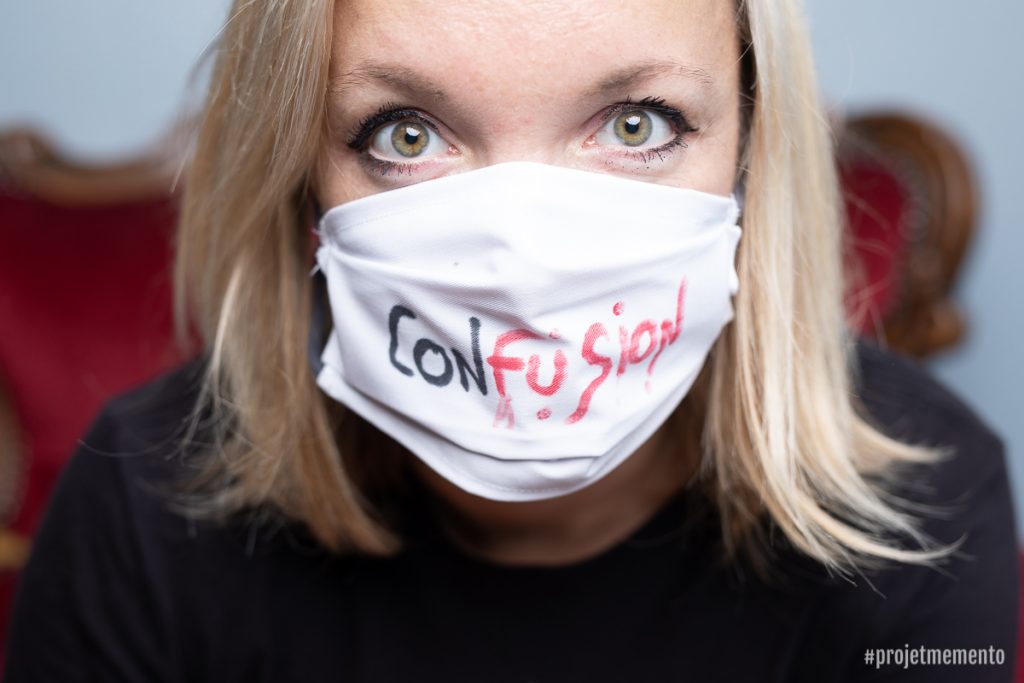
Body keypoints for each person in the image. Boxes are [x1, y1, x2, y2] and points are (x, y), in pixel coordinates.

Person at [5, 0, 1018, 681]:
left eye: (637, 123)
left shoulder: (920, 501)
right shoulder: (141, 500)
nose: (522, 256)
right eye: (404, 133)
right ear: (301, 179)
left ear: (752, 150)